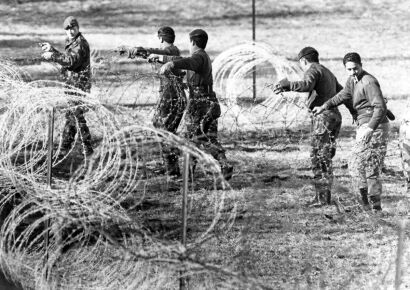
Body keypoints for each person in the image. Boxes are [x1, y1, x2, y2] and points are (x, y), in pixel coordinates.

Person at [273, 47, 356, 206]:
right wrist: (353, 111)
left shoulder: (312, 69)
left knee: (318, 157)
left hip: (323, 118)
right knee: (326, 157)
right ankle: (325, 196)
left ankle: (322, 198)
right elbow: (343, 94)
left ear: (303, 61)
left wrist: (288, 84)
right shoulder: (327, 72)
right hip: (334, 118)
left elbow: (306, 85)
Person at [313, 52, 389, 211]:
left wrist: (370, 128)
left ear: (361, 65)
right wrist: (324, 106)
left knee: (371, 167)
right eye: (349, 69)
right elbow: (342, 95)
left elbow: (380, 107)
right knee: (356, 165)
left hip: (375, 127)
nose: (353, 72)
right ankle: (365, 205)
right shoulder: (352, 81)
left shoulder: (368, 82)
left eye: (355, 68)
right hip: (365, 127)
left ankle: (375, 209)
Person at [157, 29, 233, 180]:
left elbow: (189, 62)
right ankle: (224, 165)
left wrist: (172, 63)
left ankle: (188, 175)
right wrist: (161, 58)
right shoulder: (203, 57)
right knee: (208, 138)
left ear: (192, 42)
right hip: (209, 103)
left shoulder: (198, 57)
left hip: (199, 105)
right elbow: (189, 65)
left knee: (191, 139)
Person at [118, 26, 186, 176]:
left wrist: (137, 49)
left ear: (161, 39)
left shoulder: (170, 52)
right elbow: (153, 53)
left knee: (163, 130)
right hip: (174, 97)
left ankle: (173, 167)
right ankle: (171, 165)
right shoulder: (172, 51)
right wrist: (135, 50)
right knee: (164, 129)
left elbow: (157, 53)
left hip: (170, 98)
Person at [41, 16, 93, 156]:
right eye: (68, 29)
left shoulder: (81, 44)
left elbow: (71, 61)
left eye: (73, 28)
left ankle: (87, 148)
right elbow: (66, 58)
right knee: (72, 116)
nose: (70, 31)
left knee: (76, 116)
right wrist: (53, 50)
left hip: (79, 85)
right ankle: (65, 146)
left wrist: (52, 56)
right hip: (72, 84)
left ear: (78, 28)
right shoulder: (72, 41)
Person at [399, 117, 410, 192]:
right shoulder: (404, 123)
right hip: (405, 142)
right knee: (406, 163)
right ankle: (408, 184)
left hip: (405, 141)